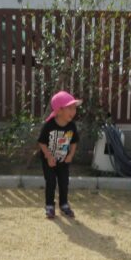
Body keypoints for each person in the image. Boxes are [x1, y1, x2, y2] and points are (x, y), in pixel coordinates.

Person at [37, 91, 81, 219]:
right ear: (59, 110)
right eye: (70, 108)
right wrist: (49, 157)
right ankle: (49, 205)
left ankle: (64, 204)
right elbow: (42, 142)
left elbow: (74, 142)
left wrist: (71, 155)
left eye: (74, 108)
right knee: (50, 182)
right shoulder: (49, 125)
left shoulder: (72, 126)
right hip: (49, 161)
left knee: (64, 182)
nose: (73, 111)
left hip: (64, 161)